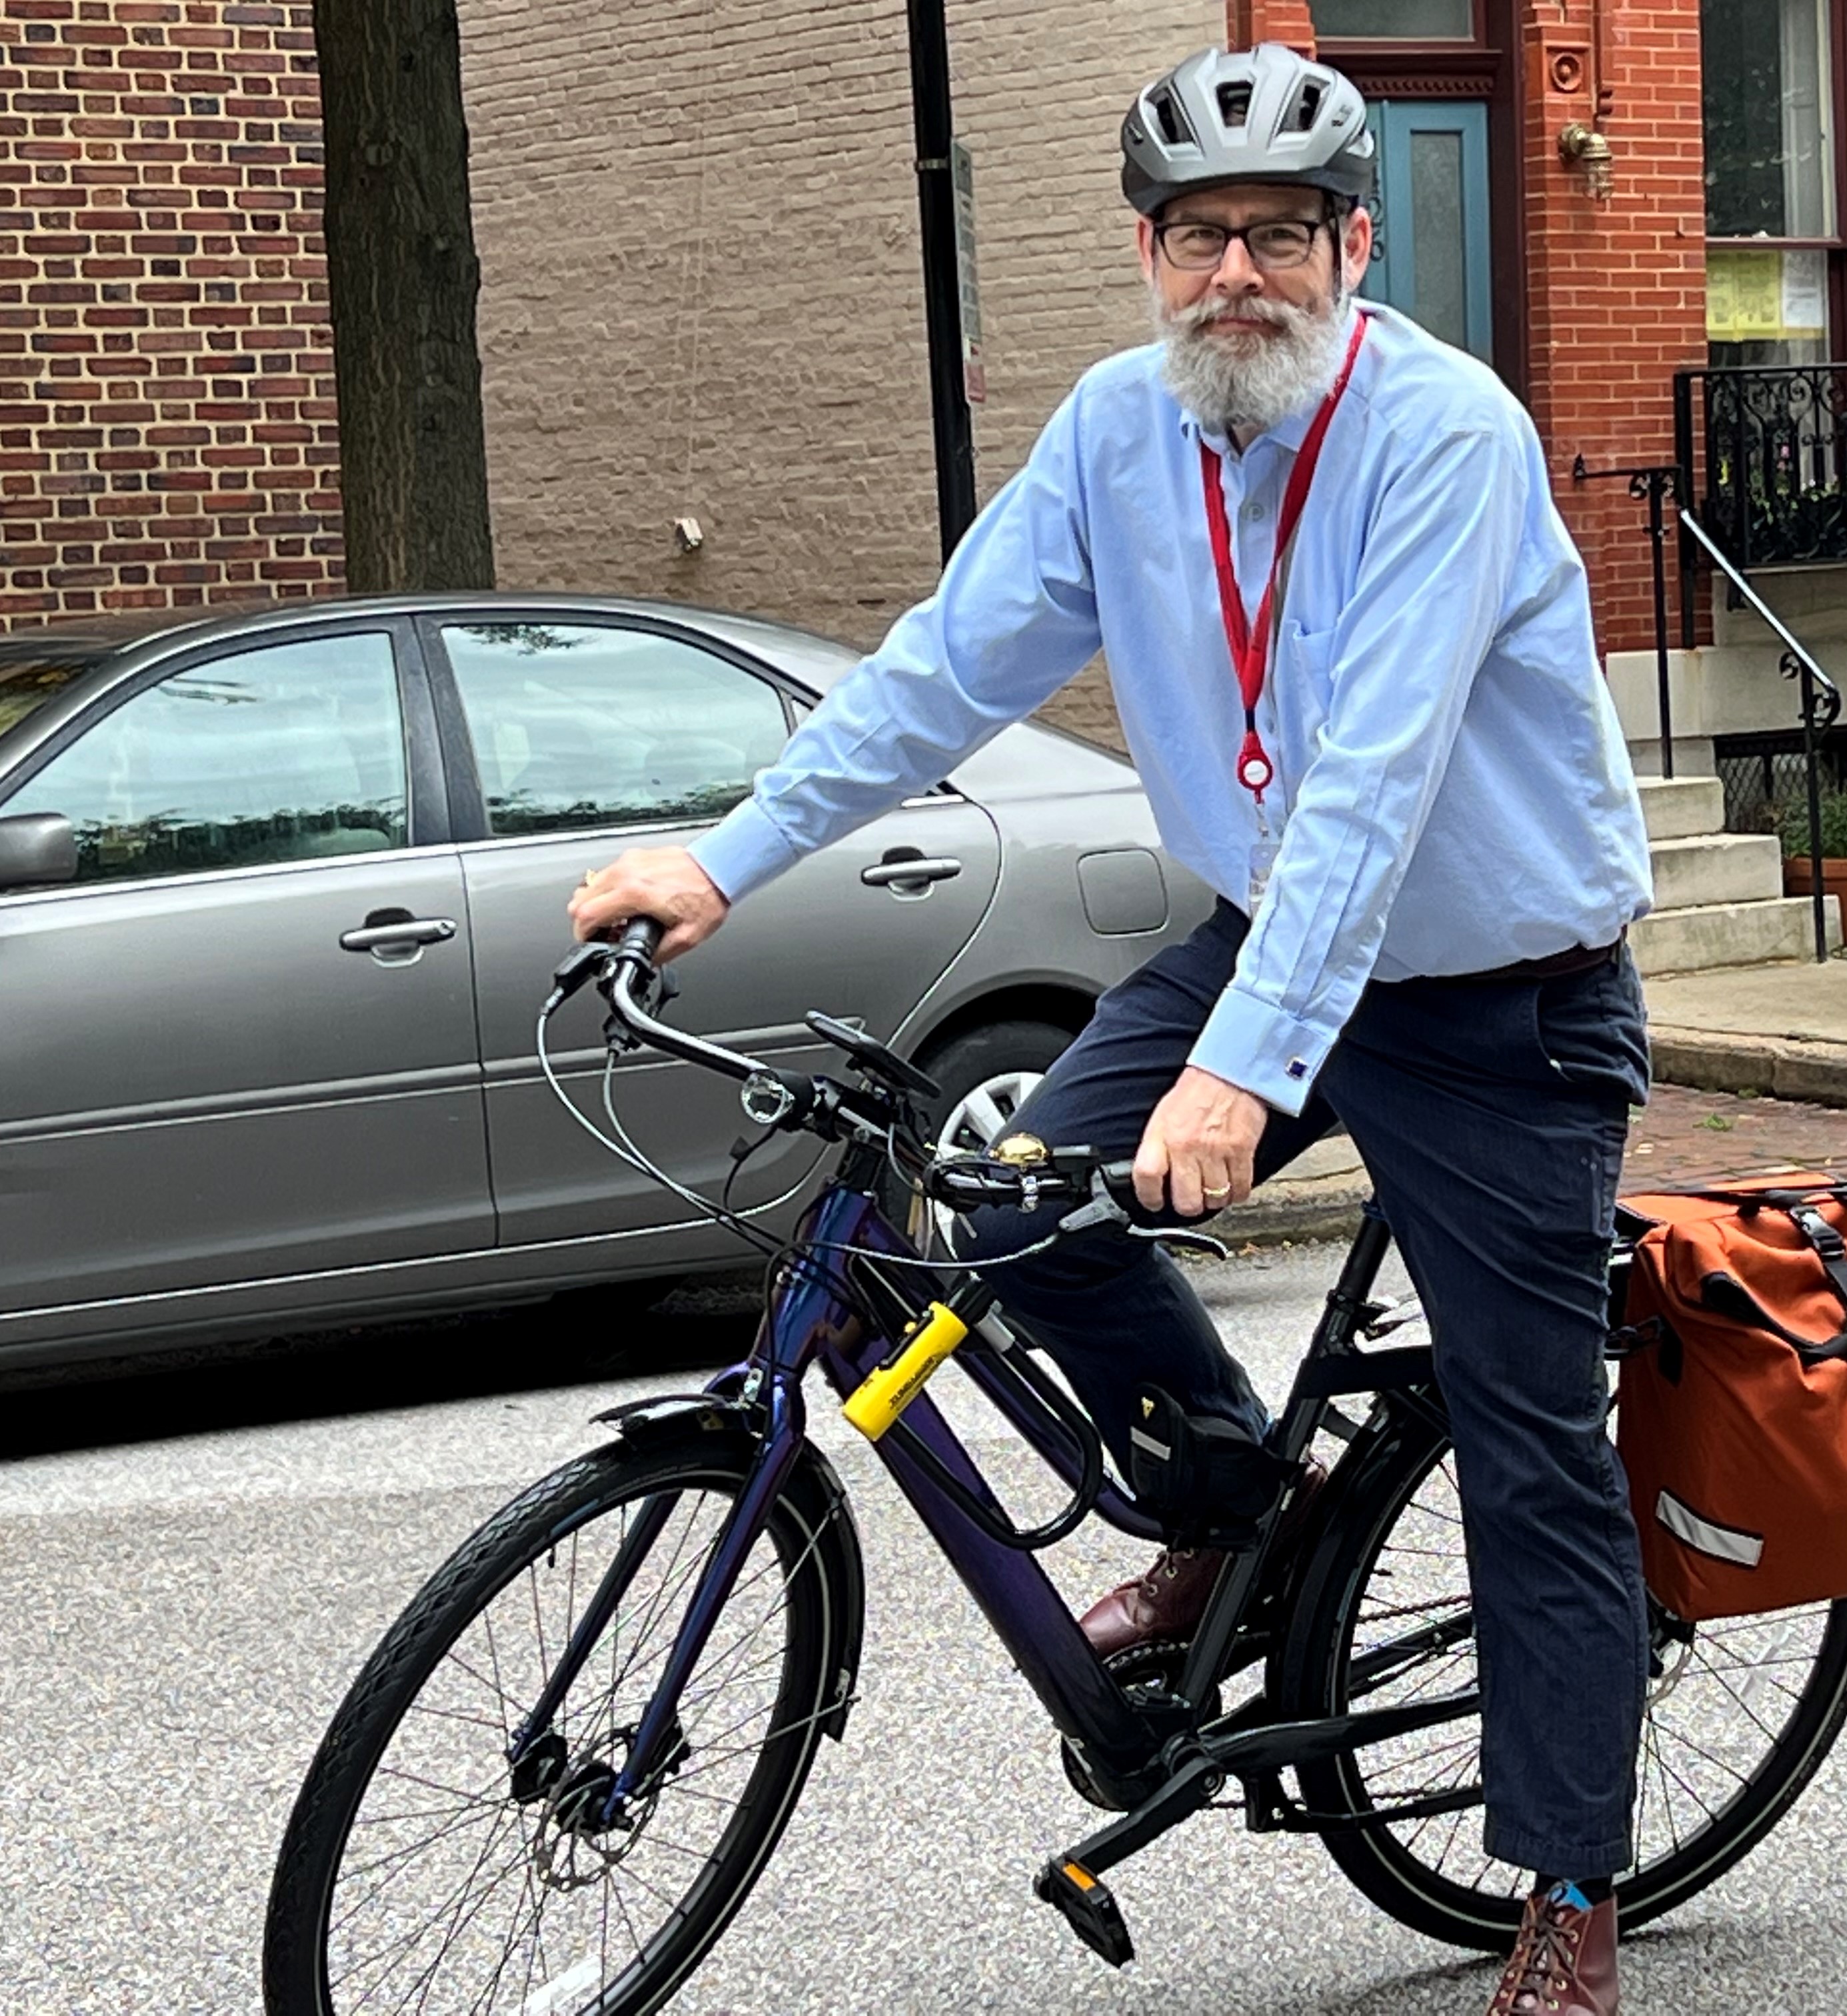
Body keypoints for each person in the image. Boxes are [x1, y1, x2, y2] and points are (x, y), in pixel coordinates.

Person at [571, 43, 1651, 2016]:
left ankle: (1566, 1880)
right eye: (1199, 235)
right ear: (1147, 252)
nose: (1239, 274)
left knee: (1528, 1449)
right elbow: (940, 674)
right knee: (1004, 1201)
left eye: (1281, 235)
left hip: (1502, 1004)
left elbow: (1376, 783)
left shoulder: (1446, 437)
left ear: (1353, 245)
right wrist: (724, 864)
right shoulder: (1113, 435)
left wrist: (1248, 1068)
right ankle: (1257, 1495)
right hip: (1270, 944)